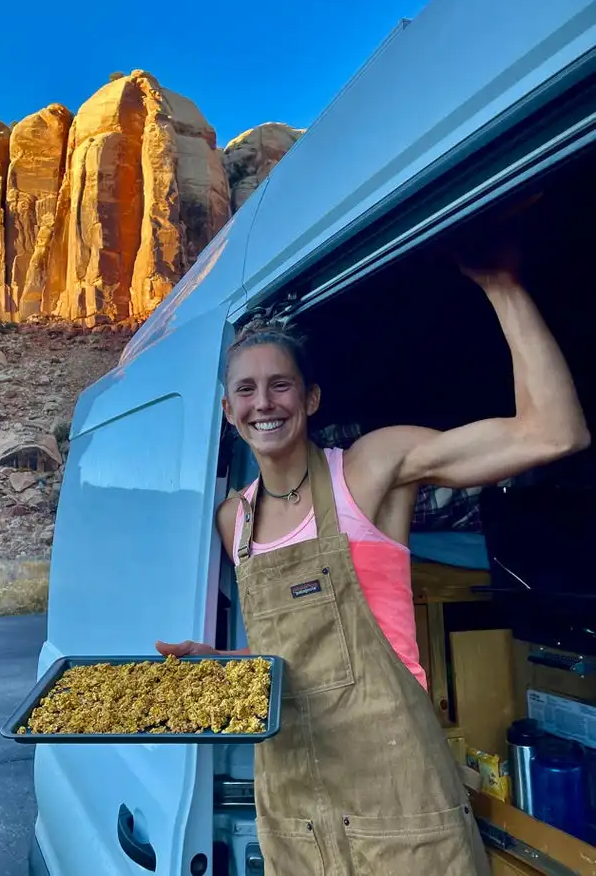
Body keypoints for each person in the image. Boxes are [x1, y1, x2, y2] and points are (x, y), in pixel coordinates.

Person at [156, 254, 590, 875]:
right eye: (245, 390)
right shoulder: (235, 522)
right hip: (297, 810)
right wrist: (225, 670)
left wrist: (503, 283)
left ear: (309, 398)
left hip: (399, 802)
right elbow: (292, 669)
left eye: (280, 384)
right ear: (228, 411)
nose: (263, 403)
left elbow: (552, 433)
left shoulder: (370, 469)